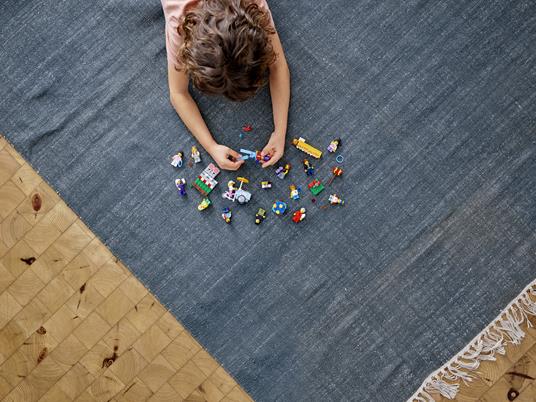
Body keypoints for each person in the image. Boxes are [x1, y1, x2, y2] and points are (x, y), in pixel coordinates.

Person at [162, 0, 290, 170]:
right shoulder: (178, 24)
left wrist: (280, 132)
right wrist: (211, 146)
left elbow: (278, 66)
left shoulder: (252, 6)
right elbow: (177, 94)